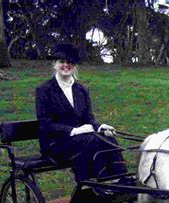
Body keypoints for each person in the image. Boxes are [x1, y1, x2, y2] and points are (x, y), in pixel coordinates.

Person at [35, 43, 127, 192]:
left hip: (80, 139)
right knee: (91, 140)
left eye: (69, 62)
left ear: (74, 66)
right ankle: (91, 182)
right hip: (56, 143)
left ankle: (120, 177)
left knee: (106, 136)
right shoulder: (44, 90)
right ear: (55, 64)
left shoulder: (81, 89)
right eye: (62, 62)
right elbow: (46, 124)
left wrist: (100, 127)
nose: (66, 65)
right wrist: (73, 131)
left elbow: (88, 118)